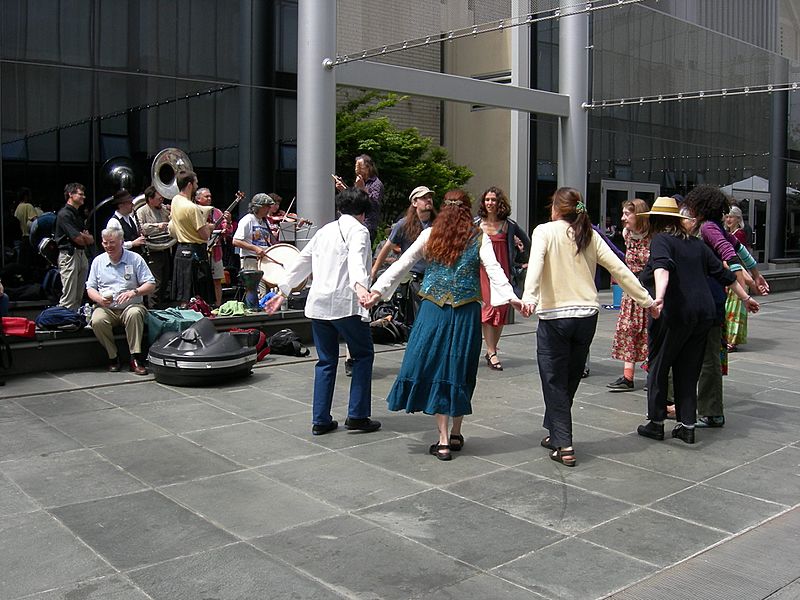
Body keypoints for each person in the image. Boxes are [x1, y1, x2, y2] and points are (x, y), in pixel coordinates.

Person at [367, 189, 524, 461]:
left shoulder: (430, 235)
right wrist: (512, 298)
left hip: (433, 311)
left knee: (438, 367)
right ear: (466, 211)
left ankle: (442, 440)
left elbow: (402, 264)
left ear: (444, 210)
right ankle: (456, 433)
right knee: (459, 368)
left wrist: (377, 291)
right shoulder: (478, 237)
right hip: (465, 312)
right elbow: (495, 271)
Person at [521, 187, 656, 467]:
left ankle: (565, 445)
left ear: (555, 208)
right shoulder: (589, 234)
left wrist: (529, 299)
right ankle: (555, 430)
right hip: (586, 316)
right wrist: (647, 300)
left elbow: (535, 267)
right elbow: (619, 268)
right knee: (569, 378)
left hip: (555, 316)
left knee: (554, 379)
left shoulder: (544, 231)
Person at [636, 197, 759, 444]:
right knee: (688, 369)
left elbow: (662, 268)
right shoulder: (697, 244)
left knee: (660, 366)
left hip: (674, 312)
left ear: (655, 222)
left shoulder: (661, 240)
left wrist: (659, 297)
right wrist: (746, 297)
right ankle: (687, 425)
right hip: (704, 314)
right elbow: (723, 274)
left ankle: (656, 422)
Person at [264, 187, 381, 437]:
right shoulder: (359, 230)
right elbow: (358, 261)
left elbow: (302, 261)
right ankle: (358, 415)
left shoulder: (325, 230)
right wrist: (361, 288)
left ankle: (320, 419)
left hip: (318, 305)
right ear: (363, 212)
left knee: (326, 361)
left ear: (340, 208)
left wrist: (282, 291)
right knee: (362, 356)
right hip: (345, 304)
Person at [684, 185, 768, 428]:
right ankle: (700, 407)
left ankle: (711, 412)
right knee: (705, 355)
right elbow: (741, 250)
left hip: (706, 299)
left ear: (700, 207)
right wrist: (755, 273)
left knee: (707, 357)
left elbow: (729, 253)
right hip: (709, 299)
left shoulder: (708, 227)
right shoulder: (715, 227)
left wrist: (741, 285)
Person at [85, 227, 156, 375]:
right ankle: (113, 357)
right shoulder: (98, 261)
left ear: (122, 242)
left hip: (131, 305)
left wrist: (134, 292)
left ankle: (135, 358)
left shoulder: (135, 259)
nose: (108, 246)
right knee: (97, 320)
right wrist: (99, 299)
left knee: (134, 314)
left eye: (112, 243)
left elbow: (151, 283)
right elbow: (90, 288)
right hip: (107, 307)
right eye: (105, 243)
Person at [476, 186, 531, 371]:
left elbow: (528, 243)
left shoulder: (509, 225)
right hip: (483, 271)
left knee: (501, 310)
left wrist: (522, 261)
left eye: (493, 200)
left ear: (500, 203)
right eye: (487, 199)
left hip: (503, 270)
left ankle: (491, 349)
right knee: (488, 309)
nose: (490, 203)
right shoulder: (476, 223)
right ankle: (492, 351)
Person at [371, 185, 436, 326]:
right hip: (413, 278)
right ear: (414, 202)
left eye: (430, 197)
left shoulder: (439, 224)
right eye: (424, 198)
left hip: (435, 276)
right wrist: (374, 271)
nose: (428, 200)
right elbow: (386, 247)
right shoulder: (404, 224)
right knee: (418, 319)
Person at [607, 199, 651, 392]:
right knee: (628, 330)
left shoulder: (654, 236)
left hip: (649, 289)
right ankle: (628, 376)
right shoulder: (627, 235)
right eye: (623, 213)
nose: (623, 218)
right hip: (631, 290)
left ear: (638, 215)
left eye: (627, 214)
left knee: (650, 332)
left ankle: (653, 375)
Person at [168, 170, 214, 305]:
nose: (197, 185)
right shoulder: (192, 208)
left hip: (181, 251)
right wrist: (209, 227)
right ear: (189, 185)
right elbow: (205, 235)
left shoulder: (175, 200)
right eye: (196, 183)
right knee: (199, 299)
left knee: (184, 297)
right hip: (196, 253)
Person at [54, 183, 94, 310]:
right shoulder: (64, 214)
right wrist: (85, 238)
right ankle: (64, 321)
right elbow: (79, 239)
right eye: (80, 194)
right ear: (70, 194)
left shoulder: (77, 214)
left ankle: (74, 320)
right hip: (69, 255)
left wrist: (86, 238)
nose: (84, 197)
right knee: (69, 296)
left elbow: (90, 239)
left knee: (78, 295)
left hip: (81, 254)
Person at [136, 185, 174, 308]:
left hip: (166, 248)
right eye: (158, 198)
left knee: (164, 280)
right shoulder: (141, 211)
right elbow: (140, 228)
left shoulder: (164, 209)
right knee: (156, 281)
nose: (161, 201)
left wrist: (172, 211)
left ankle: (161, 305)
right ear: (150, 199)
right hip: (153, 250)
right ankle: (152, 308)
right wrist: (157, 226)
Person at [195, 187, 233, 307]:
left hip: (216, 251)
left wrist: (229, 222)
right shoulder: (194, 210)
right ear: (198, 198)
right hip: (200, 251)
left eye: (210, 196)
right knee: (200, 280)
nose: (209, 198)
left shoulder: (217, 212)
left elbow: (227, 232)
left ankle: (217, 304)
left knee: (217, 280)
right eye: (206, 196)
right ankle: (200, 305)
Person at [335, 154, 383, 244]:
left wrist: (363, 189)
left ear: (368, 167)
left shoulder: (376, 184)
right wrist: (343, 189)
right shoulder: (361, 181)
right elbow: (355, 199)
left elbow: (374, 204)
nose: (358, 171)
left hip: (367, 224)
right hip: (355, 222)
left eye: (360, 167)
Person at [724, 206, 749, 352]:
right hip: (731, 272)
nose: (728, 219)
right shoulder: (729, 233)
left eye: (731, 217)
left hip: (737, 273)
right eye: (727, 216)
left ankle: (731, 340)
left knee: (734, 308)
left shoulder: (738, 234)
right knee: (730, 307)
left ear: (738, 219)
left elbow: (735, 256)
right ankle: (729, 338)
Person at [233, 193, 274, 271]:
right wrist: (255, 248)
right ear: (258, 207)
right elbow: (236, 241)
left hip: (264, 260)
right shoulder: (248, 220)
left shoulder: (265, 221)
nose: (269, 209)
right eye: (266, 206)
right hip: (250, 260)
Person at [14, 187, 40, 266]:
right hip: (30, 239)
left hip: (21, 238)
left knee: (23, 263)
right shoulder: (28, 206)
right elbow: (36, 221)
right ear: (26, 196)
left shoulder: (17, 208)